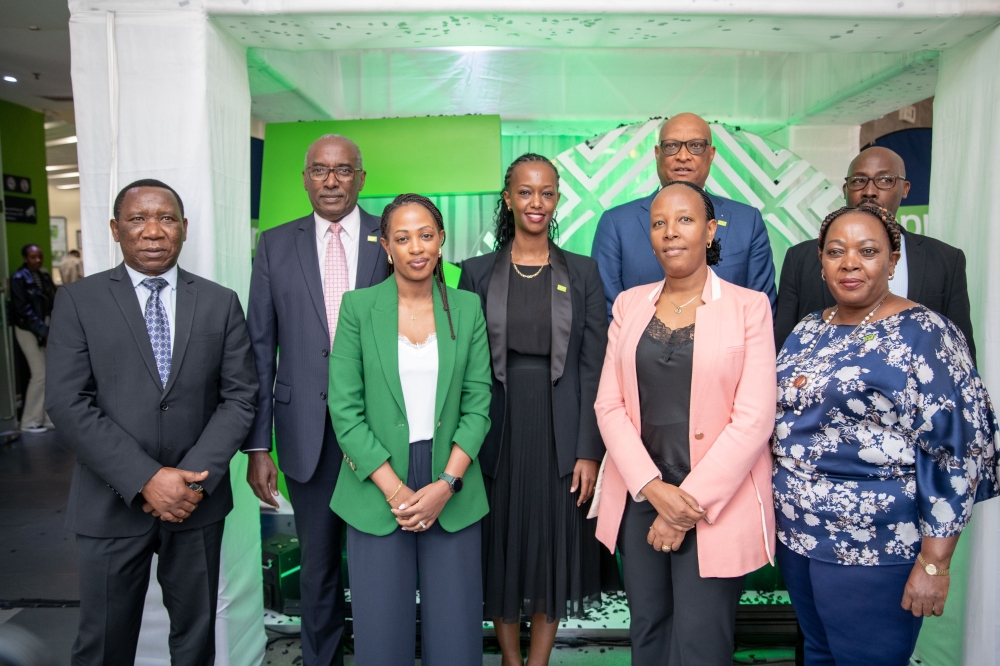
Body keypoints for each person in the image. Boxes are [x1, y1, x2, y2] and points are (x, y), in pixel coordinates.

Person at [772, 203, 998, 666]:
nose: (850, 262)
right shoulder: (808, 329)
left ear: (893, 260)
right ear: (821, 260)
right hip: (799, 537)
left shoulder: (925, 333)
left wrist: (934, 563)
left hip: (874, 546)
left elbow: (958, 451)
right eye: (836, 251)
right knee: (819, 655)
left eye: (868, 251)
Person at [44, 179, 259, 664]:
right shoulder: (80, 301)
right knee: (103, 644)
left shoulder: (219, 301)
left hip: (195, 503)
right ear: (116, 230)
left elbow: (240, 396)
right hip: (110, 502)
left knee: (195, 641)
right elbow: (67, 401)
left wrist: (190, 481)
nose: (153, 231)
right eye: (138, 220)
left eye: (165, 219)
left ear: (184, 229)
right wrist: (146, 479)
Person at [591, 180, 777, 665]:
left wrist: (684, 506)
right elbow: (608, 406)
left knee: (701, 641)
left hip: (714, 503)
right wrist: (655, 491)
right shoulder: (629, 305)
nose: (670, 232)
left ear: (711, 230)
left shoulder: (748, 308)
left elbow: (755, 419)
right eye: (659, 223)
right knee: (648, 632)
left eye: (686, 220)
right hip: (640, 497)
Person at [459, 153, 610, 666]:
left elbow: (595, 366)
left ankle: (539, 661)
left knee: (551, 546)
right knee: (500, 543)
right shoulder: (476, 274)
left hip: (559, 429)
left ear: (558, 198)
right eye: (525, 192)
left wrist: (589, 450)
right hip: (495, 430)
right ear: (508, 198)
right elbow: (464, 368)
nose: (536, 202)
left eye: (546, 192)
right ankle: (508, 656)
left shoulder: (584, 273)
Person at [328, 194, 492, 665]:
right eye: (402, 238)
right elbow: (345, 409)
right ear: (386, 247)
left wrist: (447, 483)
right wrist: (395, 489)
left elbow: (479, 404)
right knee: (381, 642)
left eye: (425, 235)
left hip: (451, 482)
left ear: (441, 241)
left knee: (457, 640)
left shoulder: (467, 308)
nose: (415, 247)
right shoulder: (357, 308)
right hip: (378, 484)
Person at [242, 134, 387, 666]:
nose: (331, 180)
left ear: (361, 178)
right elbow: (259, 348)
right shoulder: (275, 245)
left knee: (378, 565)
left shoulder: (388, 238)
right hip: (306, 434)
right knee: (318, 566)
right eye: (320, 170)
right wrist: (259, 445)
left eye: (343, 170)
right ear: (304, 178)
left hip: (380, 435)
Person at [774, 146, 975, 361]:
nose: (869, 191)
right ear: (845, 189)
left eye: (885, 180)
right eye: (859, 180)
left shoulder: (945, 259)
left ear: (905, 189)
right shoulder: (800, 258)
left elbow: (961, 355)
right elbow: (781, 349)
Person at [591, 112, 777, 319]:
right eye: (671, 146)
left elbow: (762, 311)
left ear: (711, 153)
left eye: (696, 145)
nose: (683, 156)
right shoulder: (617, 224)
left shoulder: (747, 222)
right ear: (657, 153)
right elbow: (606, 313)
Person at [10, 244, 57, 433]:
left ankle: (45, 418)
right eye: (32, 257)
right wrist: (43, 331)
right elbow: (24, 311)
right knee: (39, 374)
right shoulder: (19, 278)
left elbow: (52, 300)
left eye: (39, 256)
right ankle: (29, 420)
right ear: (25, 258)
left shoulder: (44, 276)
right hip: (28, 329)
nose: (37, 260)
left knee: (49, 375)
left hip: (45, 327)